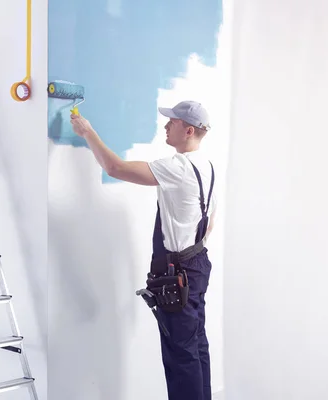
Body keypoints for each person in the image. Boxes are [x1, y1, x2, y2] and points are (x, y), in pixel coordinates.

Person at [70, 100, 216, 400]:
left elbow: (115, 168)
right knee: (196, 348)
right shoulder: (208, 166)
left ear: (188, 130)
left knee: (182, 357)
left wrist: (88, 133)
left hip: (181, 275)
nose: (165, 126)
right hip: (198, 265)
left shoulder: (177, 167)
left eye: (172, 122)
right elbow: (209, 224)